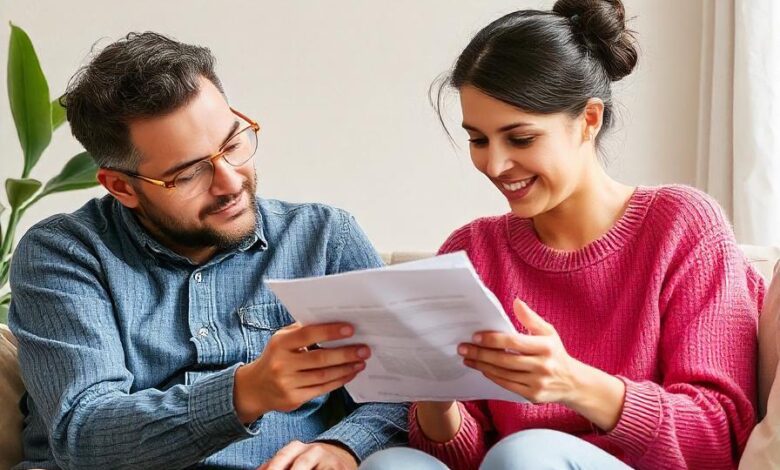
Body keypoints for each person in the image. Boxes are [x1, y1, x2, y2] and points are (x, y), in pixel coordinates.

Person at [362, 0, 763, 468]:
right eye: (478, 139)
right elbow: (462, 458)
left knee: (525, 453)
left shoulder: (682, 226)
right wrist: (434, 393)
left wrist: (572, 382)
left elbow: (717, 435)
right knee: (390, 464)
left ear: (588, 119)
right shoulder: (472, 250)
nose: (494, 165)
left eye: (521, 138)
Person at [8, 32, 406, 469]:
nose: (231, 182)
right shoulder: (65, 253)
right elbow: (85, 434)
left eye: (233, 145)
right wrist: (246, 392)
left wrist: (344, 446)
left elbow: (401, 388)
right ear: (122, 187)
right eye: (190, 173)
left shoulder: (325, 239)